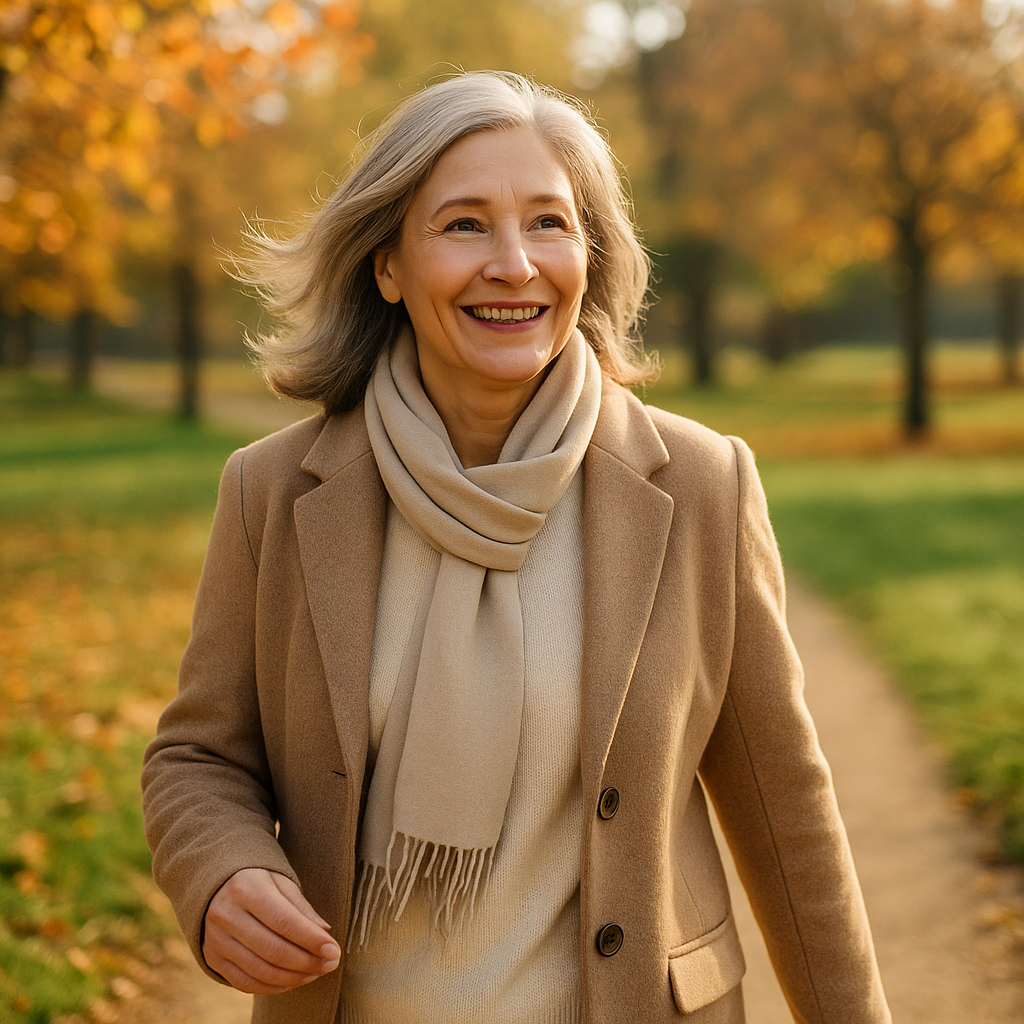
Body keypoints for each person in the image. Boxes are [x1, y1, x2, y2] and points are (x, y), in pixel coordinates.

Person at [142, 71, 891, 1024]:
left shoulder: (699, 485)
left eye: (548, 222)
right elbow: (199, 757)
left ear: (590, 252)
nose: (514, 264)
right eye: (464, 226)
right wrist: (222, 872)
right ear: (387, 266)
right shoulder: (274, 493)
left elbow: (787, 810)